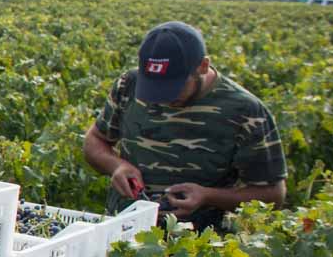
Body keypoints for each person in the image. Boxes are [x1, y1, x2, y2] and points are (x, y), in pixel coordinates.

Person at [82, 20, 287, 232]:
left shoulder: (246, 111)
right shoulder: (129, 85)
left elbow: (273, 194)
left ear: (203, 67)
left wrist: (208, 196)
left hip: (200, 246)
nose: (162, 99)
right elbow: (95, 140)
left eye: (173, 88)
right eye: (153, 88)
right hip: (124, 230)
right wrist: (117, 166)